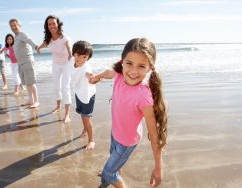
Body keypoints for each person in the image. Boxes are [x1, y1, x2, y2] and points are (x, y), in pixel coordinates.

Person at [89, 38, 168, 187]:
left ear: (150, 68)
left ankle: (111, 175)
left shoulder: (144, 96)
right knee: (113, 159)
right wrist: (97, 77)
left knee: (107, 174)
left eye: (141, 66)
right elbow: (108, 73)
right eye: (129, 63)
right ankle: (114, 171)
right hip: (115, 133)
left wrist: (158, 168)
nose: (133, 71)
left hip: (127, 142)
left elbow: (154, 133)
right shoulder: (119, 76)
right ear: (122, 62)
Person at [37, 15, 72, 123]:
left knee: (65, 87)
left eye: (53, 23)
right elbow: (44, 44)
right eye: (49, 24)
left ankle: (67, 115)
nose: (52, 26)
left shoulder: (64, 37)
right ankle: (58, 107)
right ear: (47, 26)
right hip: (56, 63)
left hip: (67, 63)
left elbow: (69, 47)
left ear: (58, 24)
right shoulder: (48, 39)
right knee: (56, 86)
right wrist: (38, 48)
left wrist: (71, 55)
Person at [9, 18, 40, 109]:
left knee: (31, 82)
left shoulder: (23, 34)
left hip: (27, 61)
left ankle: (37, 101)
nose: (13, 27)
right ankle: (30, 100)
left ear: (19, 25)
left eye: (15, 25)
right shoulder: (16, 37)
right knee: (26, 83)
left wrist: (36, 47)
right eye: (11, 26)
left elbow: (30, 41)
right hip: (20, 63)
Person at [70, 41, 96, 150]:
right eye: (78, 55)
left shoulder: (86, 67)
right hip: (79, 92)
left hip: (87, 95)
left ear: (88, 58)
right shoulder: (71, 61)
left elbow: (89, 74)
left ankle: (91, 141)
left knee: (86, 118)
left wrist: (92, 77)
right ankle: (85, 130)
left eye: (84, 57)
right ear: (73, 54)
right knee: (82, 114)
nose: (81, 59)